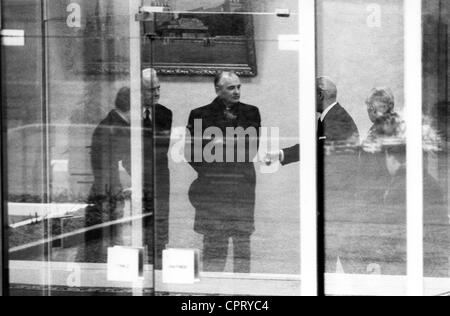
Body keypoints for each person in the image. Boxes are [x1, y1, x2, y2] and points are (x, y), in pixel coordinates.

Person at [185, 71, 261, 273]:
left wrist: (222, 143)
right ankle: (212, 294)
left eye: (239, 87)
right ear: (218, 90)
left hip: (241, 188)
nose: (237, 92)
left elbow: (251, 149)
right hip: (213, 190)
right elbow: (193, 154)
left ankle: (243, 297)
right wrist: (212, 172)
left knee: (242, 245)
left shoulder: (251, 112)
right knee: (214, 247)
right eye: (231, 88)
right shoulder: (199, 114)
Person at [265, 77, 359, 165]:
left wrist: (281, 154)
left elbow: (316, 149)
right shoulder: (332, 115)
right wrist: (280, 154)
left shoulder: (337, 118)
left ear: (320, 95)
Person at [85, 87, 132, 262]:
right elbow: (129, 161)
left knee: (100, 240)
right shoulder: (118, 128)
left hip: (105, 188)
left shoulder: (110, 123)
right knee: (110, 240)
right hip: (108, 191)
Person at [141, 68, 173, 269]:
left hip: (159, 177)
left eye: (159, 88)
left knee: (159, 226)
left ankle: (159, 271)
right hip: (135, 176)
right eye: (152, 89)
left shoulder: (165, 114)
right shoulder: (126, 116)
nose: (157, 93)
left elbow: (161, 150)